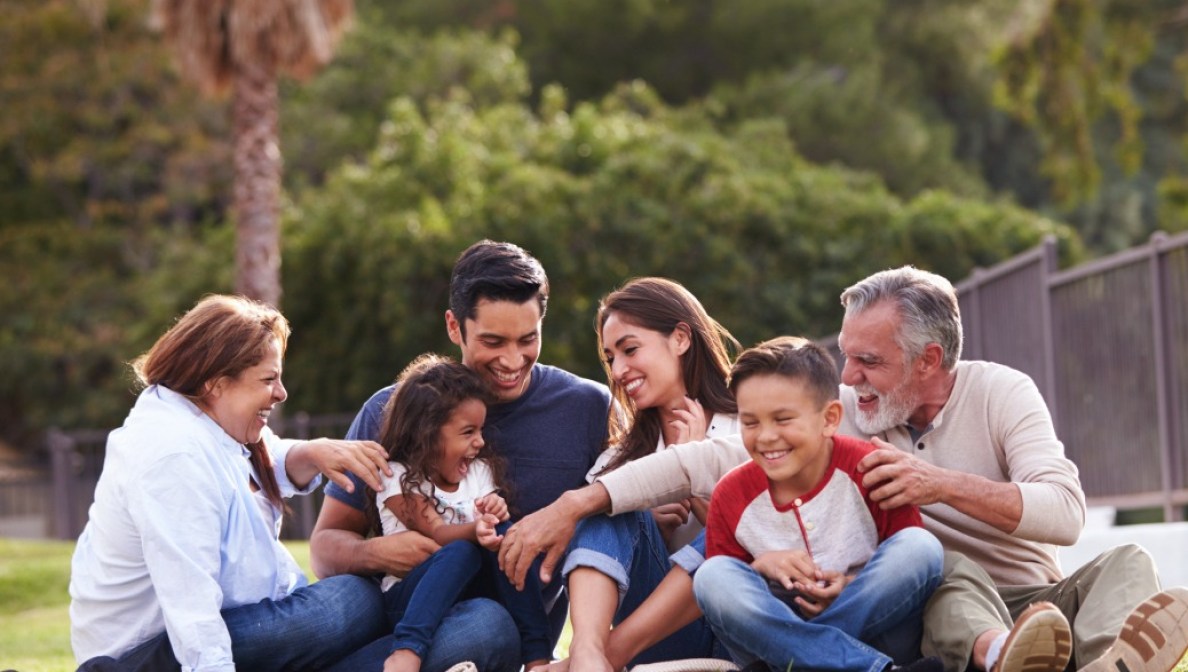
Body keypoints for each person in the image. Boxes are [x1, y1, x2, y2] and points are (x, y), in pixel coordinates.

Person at [499, 265, 1188, 672]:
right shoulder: (847, 414)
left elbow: (1064, 514)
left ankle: (1103, 665)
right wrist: (578, 502)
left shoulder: (1002, 392)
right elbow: (716, 461)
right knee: (936, 558)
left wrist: (941, 485)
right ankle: (991, 655)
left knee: (1128, 560)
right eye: (847, 356)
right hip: (939, 602)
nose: (849, 376)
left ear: (928, 361)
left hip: (1035, 595)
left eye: (868, 361)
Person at [311, 240, 612, 671]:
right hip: (400, 612)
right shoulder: (392, 409)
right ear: (455, 327)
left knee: (486, 624)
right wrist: (378, 552)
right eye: (493, 341)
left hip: (496, 629)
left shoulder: (589, 408)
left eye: (528, 339)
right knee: (327, 609)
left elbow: (626, 520)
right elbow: (324, 550)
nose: (513, 360)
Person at [69, 294, 393, 671]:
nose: (281, 393)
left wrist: (312, 453)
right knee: (352, 600)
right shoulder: (174, 457)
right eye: (268, 379)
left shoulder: (209, 421)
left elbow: (262, 458)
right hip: (152, 654)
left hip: (215, 628)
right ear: (216, 383)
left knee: (421, 630)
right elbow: (191, 605)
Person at [695, 336, 944, 672]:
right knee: (712, 575)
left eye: (783, 419)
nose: (765, 436)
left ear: (829, 419)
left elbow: (905, 568)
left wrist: (850, 587)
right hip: (778, 628)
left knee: (921, 546)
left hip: (871, 631)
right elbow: (732, 600)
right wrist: (761, 566)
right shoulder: (730, 494)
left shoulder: (870, 468)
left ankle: (804, 660)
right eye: (750, 422)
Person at [557, 277, 740, 671]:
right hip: (664, 639)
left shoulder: (749, 426)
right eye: (611, 358)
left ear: (680, 339)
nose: (618, 370)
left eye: (630, 349)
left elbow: (759, 541)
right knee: (607, 503)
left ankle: (599, 657)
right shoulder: (619, 459)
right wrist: (647, 529)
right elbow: (592, 546)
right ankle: (588, 655)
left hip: (742, 628)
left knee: (725, 528)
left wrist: (688, 472)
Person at [370, 354, 550, 672]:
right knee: (461, 550)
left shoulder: (478, 472)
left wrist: (495, 512)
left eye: (480, 430)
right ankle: (407, 649)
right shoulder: (397, 476)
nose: (480, 441)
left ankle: (538, 658)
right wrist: (476, 530)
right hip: (410, 599)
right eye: (468, 432)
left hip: (469, 596)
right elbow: (438, 533)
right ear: (426, 434)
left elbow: (491, 522)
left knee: (508, 538)